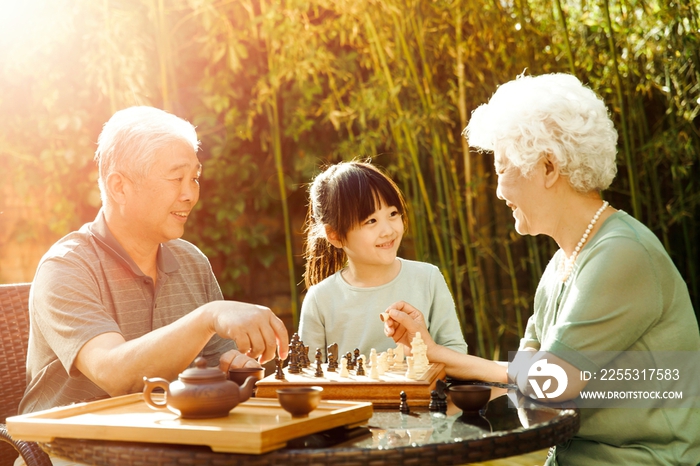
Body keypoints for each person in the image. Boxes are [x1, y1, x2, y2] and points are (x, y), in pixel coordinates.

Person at [383, 74, 700, 465]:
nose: (498, 190)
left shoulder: (622, 254)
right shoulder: (562, 262)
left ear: (548, 167)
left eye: (502, 168)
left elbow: (548, 383)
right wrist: (432, 352)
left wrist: (453, 358)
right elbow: (526, 376)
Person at [20, 106, 289, 418]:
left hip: (164, 444)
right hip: (64, 453)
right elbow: (116, 374)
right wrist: (207, 316)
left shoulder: (192, 262)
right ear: (119, 186)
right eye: (176, 178)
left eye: (195, 178)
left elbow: (219, 365)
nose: (190, 194)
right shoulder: (66, 267)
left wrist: (237, 367)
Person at [298, 161, 467, 360]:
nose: (388, 231)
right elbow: (308, 374)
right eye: (371, 221)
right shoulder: (320, 299)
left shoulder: (428, 278)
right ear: (334, 235)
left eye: (393, 214)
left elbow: (456, 352)